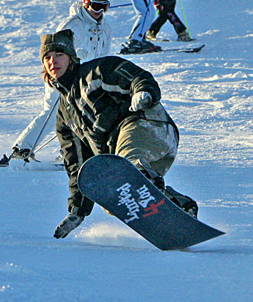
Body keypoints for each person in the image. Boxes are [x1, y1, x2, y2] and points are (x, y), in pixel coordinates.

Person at [41, 29, 198, 240]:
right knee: (114, 195)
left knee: (128, 168)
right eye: (47, 58)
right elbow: (79, 166)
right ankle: (180, 208)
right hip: (147, 158)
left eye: (59, 55)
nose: (53, 62)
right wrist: (78, 210)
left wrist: (143, 92)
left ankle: (140, 178)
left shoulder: (94, 72)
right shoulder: (65, 117)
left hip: (148, 127)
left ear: (71, 58)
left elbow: (136, 77)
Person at [6, 0, 113, 162]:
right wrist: (57, 75)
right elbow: (55, 51)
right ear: (86, 4)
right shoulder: (73, 24)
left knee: (83, 115)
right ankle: (22, 150)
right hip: (61, 75)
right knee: (53, 111)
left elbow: (102, 56)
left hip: (84, 80)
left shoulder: (105, 29)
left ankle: (68, 153)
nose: (99, 12)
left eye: (104, 7)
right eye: (96, 6)